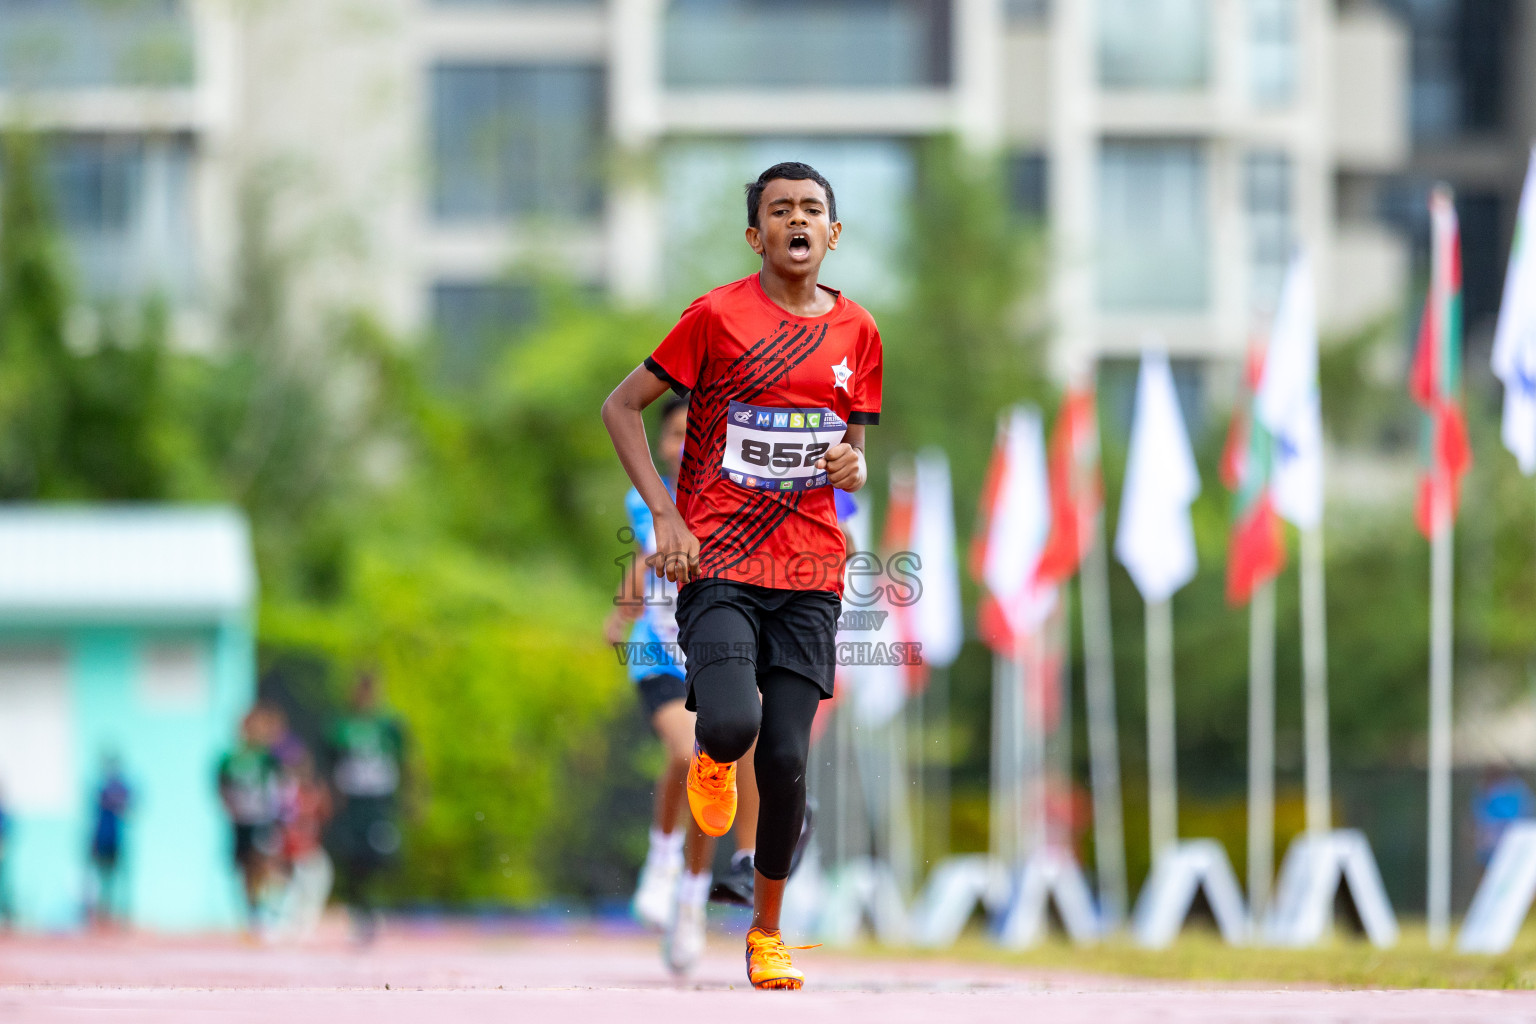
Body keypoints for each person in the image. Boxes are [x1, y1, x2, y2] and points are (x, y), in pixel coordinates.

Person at [602, 161, 881, 990]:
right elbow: (620, 407)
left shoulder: (859, 332)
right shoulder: (716, 317)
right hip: (719, 560)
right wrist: (663, 513)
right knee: (726, 726)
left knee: (789, 757)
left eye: (813, 209)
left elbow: (853, 458)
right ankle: (710, 763)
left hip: (809, 569)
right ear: (756, 235)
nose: (798, 219)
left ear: (832, 234)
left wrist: (852, 467)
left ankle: (765, 931)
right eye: (780, 209)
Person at [604, 393, 769, 973]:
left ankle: (697, 896)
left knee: (724, 756)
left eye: (694, 436)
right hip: (660, 651)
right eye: (674, 437)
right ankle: (663, 858)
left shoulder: (741, 495)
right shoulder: (646, 498)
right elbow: (660, 552)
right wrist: (624, 608)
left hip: (715, 649)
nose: (684, 448)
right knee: (690, 747)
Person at [322, 671, 406, 945]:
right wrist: (332, 798)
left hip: (380, 800)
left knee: (381, 854)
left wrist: (410, 796)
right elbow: (331, 766)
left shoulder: (390, 726)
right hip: (352, 800)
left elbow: (406, 763)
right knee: (351, 856)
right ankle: (362, 910)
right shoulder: (341, 727)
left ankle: (373, 904)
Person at [218, 709, 283, 934]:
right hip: (240, 820)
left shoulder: (267, 757)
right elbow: (221, 785)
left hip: (262, 818)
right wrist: (229, 807)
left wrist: (277, 814)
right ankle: (252, 913)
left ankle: (270, 907)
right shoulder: (229, 759)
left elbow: (281, 784)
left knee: (262, 861)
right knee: (243, 866)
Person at [276, 750, 334, 942]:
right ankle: (285, 925)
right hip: (296, 850)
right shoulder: (287, 794)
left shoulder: (312, 792)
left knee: (315, 886)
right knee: (293, 890)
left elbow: (324, 815)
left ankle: (304, 925)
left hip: (310, 849)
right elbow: (284, 822)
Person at [86, 755, 131, 928]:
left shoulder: (122, 788)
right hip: (102, 839)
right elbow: (95, 816)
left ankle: (121, 916)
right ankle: (103, 915)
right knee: (103, 879)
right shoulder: (101, 788)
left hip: (117, 840)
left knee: (120, 878)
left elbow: (130, 806)